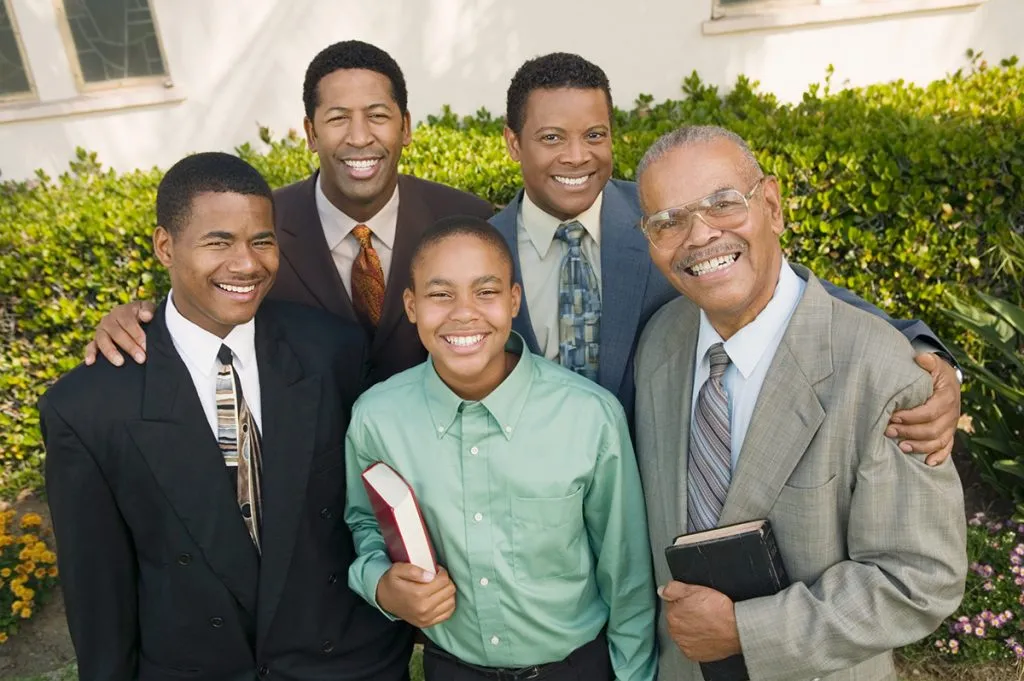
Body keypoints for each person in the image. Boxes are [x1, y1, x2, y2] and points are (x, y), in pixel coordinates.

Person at [40, 152, 410, 681]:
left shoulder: (333, 350)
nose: (247, 263)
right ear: (164, 246)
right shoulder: (85, 407)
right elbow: (98, 591)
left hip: (345, 664)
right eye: (219, 242)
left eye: (261, 240)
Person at [491, 52, 962, 462]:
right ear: (514, 143)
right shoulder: (481, 250)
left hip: (655, 503)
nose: (578, 156)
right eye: (552, 138)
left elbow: (790, 291)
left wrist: (928, 361)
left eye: (595, 135)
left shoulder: (667, 220)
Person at [632, 126, 967, 680]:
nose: (699, 235)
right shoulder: (661, 343)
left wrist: (746, 631)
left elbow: (920, 577)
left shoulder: (881, 369)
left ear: (771, 205)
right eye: (668, 221)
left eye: (722, 203)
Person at [344, 216, 657, 681]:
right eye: (440, 294)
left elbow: (626, 572)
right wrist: (380, 584)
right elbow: (365, 520)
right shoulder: (377, 418)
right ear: (411, 306)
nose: (464, 312)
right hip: (452, 668)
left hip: (576, 668)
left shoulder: (590, 417)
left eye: (486, 292)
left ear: (514, 300)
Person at [85, 40, 493, 382]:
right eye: (337, 119)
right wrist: (137, 320)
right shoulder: (259, 226)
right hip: (303, 465)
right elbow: (201, 303)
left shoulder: (469, 219)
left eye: (377, 116)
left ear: (405, 127)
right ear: (311, 134)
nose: (359, 136)